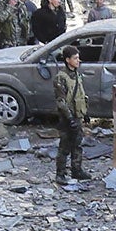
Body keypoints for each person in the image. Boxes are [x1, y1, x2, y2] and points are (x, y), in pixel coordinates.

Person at [52, 46, 88, 187]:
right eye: (75, 58)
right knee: (64, 147)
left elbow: (81, 94)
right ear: (67, 60)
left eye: (78, 58)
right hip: (67, 118)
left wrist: (85, 113)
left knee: (77, 145)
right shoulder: (61, 78)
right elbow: (61, 101)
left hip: (77, 115)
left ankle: (76, 169)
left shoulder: (77, 74)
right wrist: (69, 118)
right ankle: (60, 174)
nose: (78, 60)